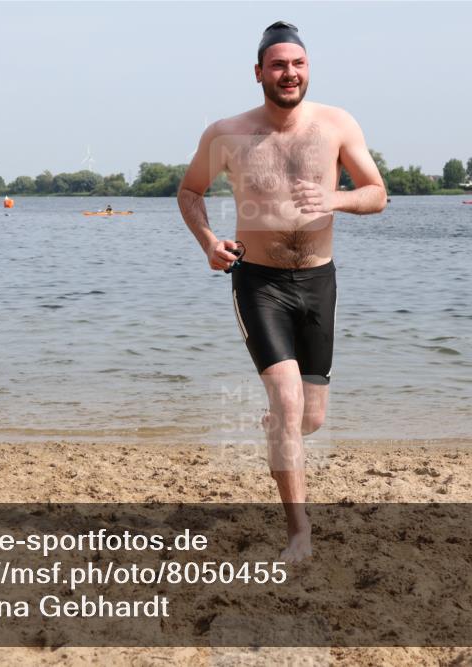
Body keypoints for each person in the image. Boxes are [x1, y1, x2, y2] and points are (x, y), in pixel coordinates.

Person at [178, 20, 386, 562]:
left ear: (307, 69)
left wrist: (335, 200)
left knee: (309, 417)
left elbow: (376, 193)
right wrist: (208, 242)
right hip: (258, 282)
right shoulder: (227, 134)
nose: (288, 73)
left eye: (297, 64)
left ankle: (282, 425)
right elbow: (190, 191)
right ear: (259, 73)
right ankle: (299, 531)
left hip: (318, 281)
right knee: (289, 401)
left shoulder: (337, 124)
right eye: (277, 65)